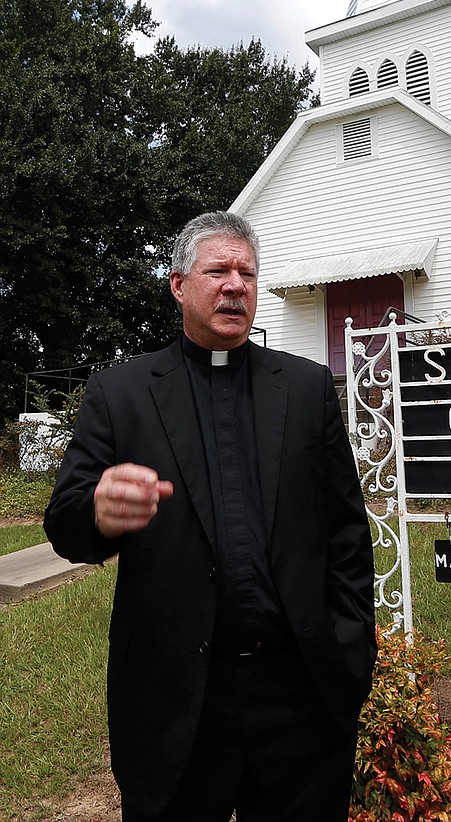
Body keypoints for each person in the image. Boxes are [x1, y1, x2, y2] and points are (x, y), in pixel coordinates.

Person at [44, 211, 377, 822]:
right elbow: (64, 526)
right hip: (179, 701)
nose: (235, 285)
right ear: (178, 285)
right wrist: (98, 510)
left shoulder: (304, 390)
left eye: (247, 273)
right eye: (217, 270)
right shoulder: (120, 395)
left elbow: (348, 534)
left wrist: (349, 651)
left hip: (298, 695)